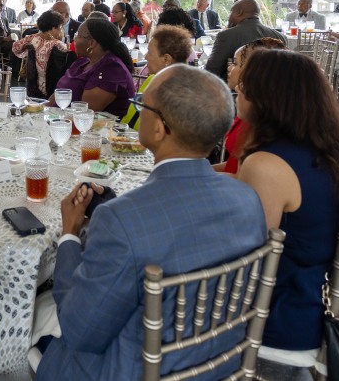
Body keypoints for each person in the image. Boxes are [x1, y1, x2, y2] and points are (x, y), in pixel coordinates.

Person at [35, 65, 267, 381]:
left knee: (26, 315)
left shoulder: (121, 219)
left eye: (142, 104)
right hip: (219, 363)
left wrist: (70, 234)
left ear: (159, 128)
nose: (137, 108)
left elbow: (79, 331)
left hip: (133, 372)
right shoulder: (248, 199)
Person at [235, 48, 339, 352]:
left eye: (245, 85)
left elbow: (247, 257)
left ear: (266, 98)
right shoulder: (316, 153)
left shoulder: (265, 164)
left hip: (278, 312)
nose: (237, 88)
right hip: (313, 300)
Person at [213, 37, 286, 175]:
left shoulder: (262, 123)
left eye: (235, 63)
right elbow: (233, 165)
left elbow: (245, 178)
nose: (229, 67)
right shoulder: (246, 111)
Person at [54, 18, 136, 117]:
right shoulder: (81, 63)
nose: (74, 39)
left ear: (92, 43)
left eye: (78, 35)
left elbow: (85, 114)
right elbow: (56, 96)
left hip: (96, 129)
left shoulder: (112, 69)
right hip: (61, 119)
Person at [120, 25, 193, 129]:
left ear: (166, 59)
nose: (145, 57)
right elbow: (129, 118)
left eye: (149, 52)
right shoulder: (152, 80)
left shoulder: (178, 96)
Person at [205, 0, 286, 81]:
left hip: (236, 90)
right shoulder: (281, 36)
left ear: (239, 12)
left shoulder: (227, 35)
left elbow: (211, 71)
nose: (229, 17)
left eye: (231, 12)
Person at [13, 11, 69, 97]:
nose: (61, 31)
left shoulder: (32, 38)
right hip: (51, 89)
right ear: (54, 28)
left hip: (32, 87)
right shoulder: (58, 45)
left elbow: (15, 48)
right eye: (60, 28)